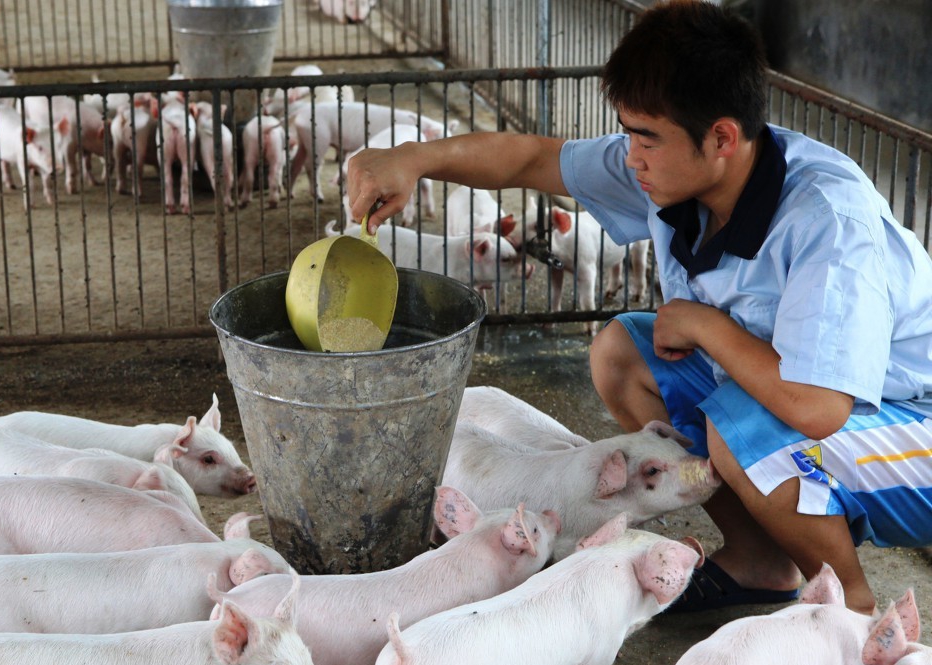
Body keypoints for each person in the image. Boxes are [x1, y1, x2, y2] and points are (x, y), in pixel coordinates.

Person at [345, 0, 932, 614]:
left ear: (722, 137)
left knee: (740, 431)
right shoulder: (677, 170)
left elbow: (819, 407)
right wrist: (412, 158)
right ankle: (763, 561)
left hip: (905, 420)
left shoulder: (826, 220)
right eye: (628, 132)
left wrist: (705, 324)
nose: (631, 156)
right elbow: (531, 159)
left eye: (646, 137)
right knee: (623, 354)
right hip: (817, 403)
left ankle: (853, 608)